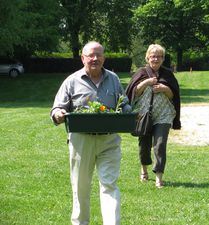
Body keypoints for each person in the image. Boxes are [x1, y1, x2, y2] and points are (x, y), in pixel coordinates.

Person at [50, 41, 131, 225]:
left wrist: (129, 110)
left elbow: (124, 102)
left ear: (104, 57)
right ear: (83, 58)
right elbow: (56, 108)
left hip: (109, 140)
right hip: (81, 142)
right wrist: (58, 114)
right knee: (81, 188)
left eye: (99, 55)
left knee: (109, 185)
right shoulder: (71, 81)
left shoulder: (113, 79)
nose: (95, 58)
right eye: (91, 55)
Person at [126, 44, 181, 188]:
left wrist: (165, 88)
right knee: (144, 145)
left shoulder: (168, 74)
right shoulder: (141, 72)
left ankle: (159, 177)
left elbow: (173, 95)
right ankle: (144, 170)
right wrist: (146, 82)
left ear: (163, 59)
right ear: (147, 57)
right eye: (153, 56)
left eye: (159, 56)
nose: (155, 58)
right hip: (144, 115)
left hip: (164, 115)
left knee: (160, 144)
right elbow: (134, 92)